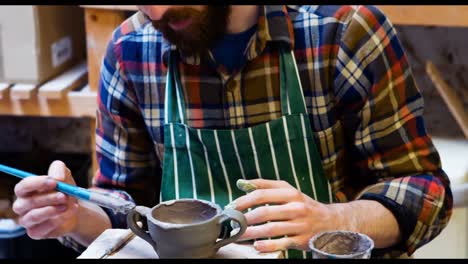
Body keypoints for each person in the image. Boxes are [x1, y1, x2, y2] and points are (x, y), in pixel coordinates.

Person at [12, 5, 452, 258]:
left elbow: (424, 194)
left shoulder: (342, 32)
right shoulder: (132, 51)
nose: (159, 11)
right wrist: (75, 217)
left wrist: (335, 220)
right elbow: (122, 210)